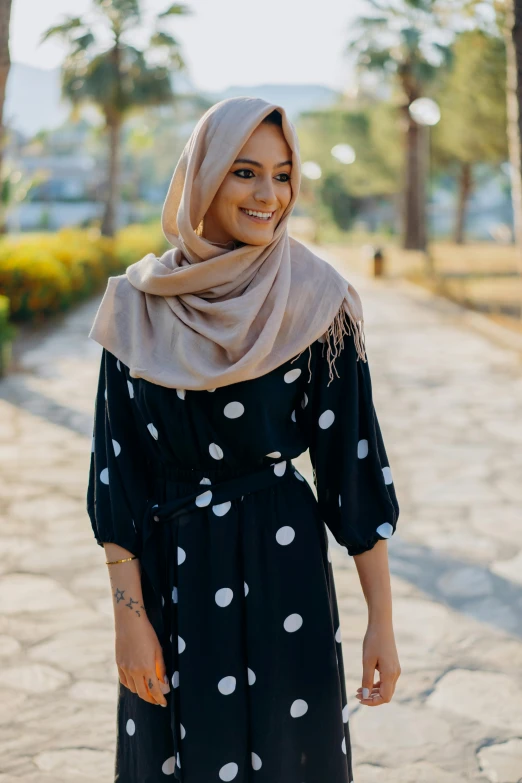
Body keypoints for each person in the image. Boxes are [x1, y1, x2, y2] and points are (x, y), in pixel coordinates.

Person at [86, 96, 401, 783]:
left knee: (289, 762)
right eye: (245, 172)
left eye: (284, 175)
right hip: (170, 582)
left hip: (284, 574)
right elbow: (117, 478)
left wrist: (382, 619)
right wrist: (128, 619)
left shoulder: (319, 301)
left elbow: (353, 468)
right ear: (203, 176)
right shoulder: (136, 305)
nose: (269, 195)